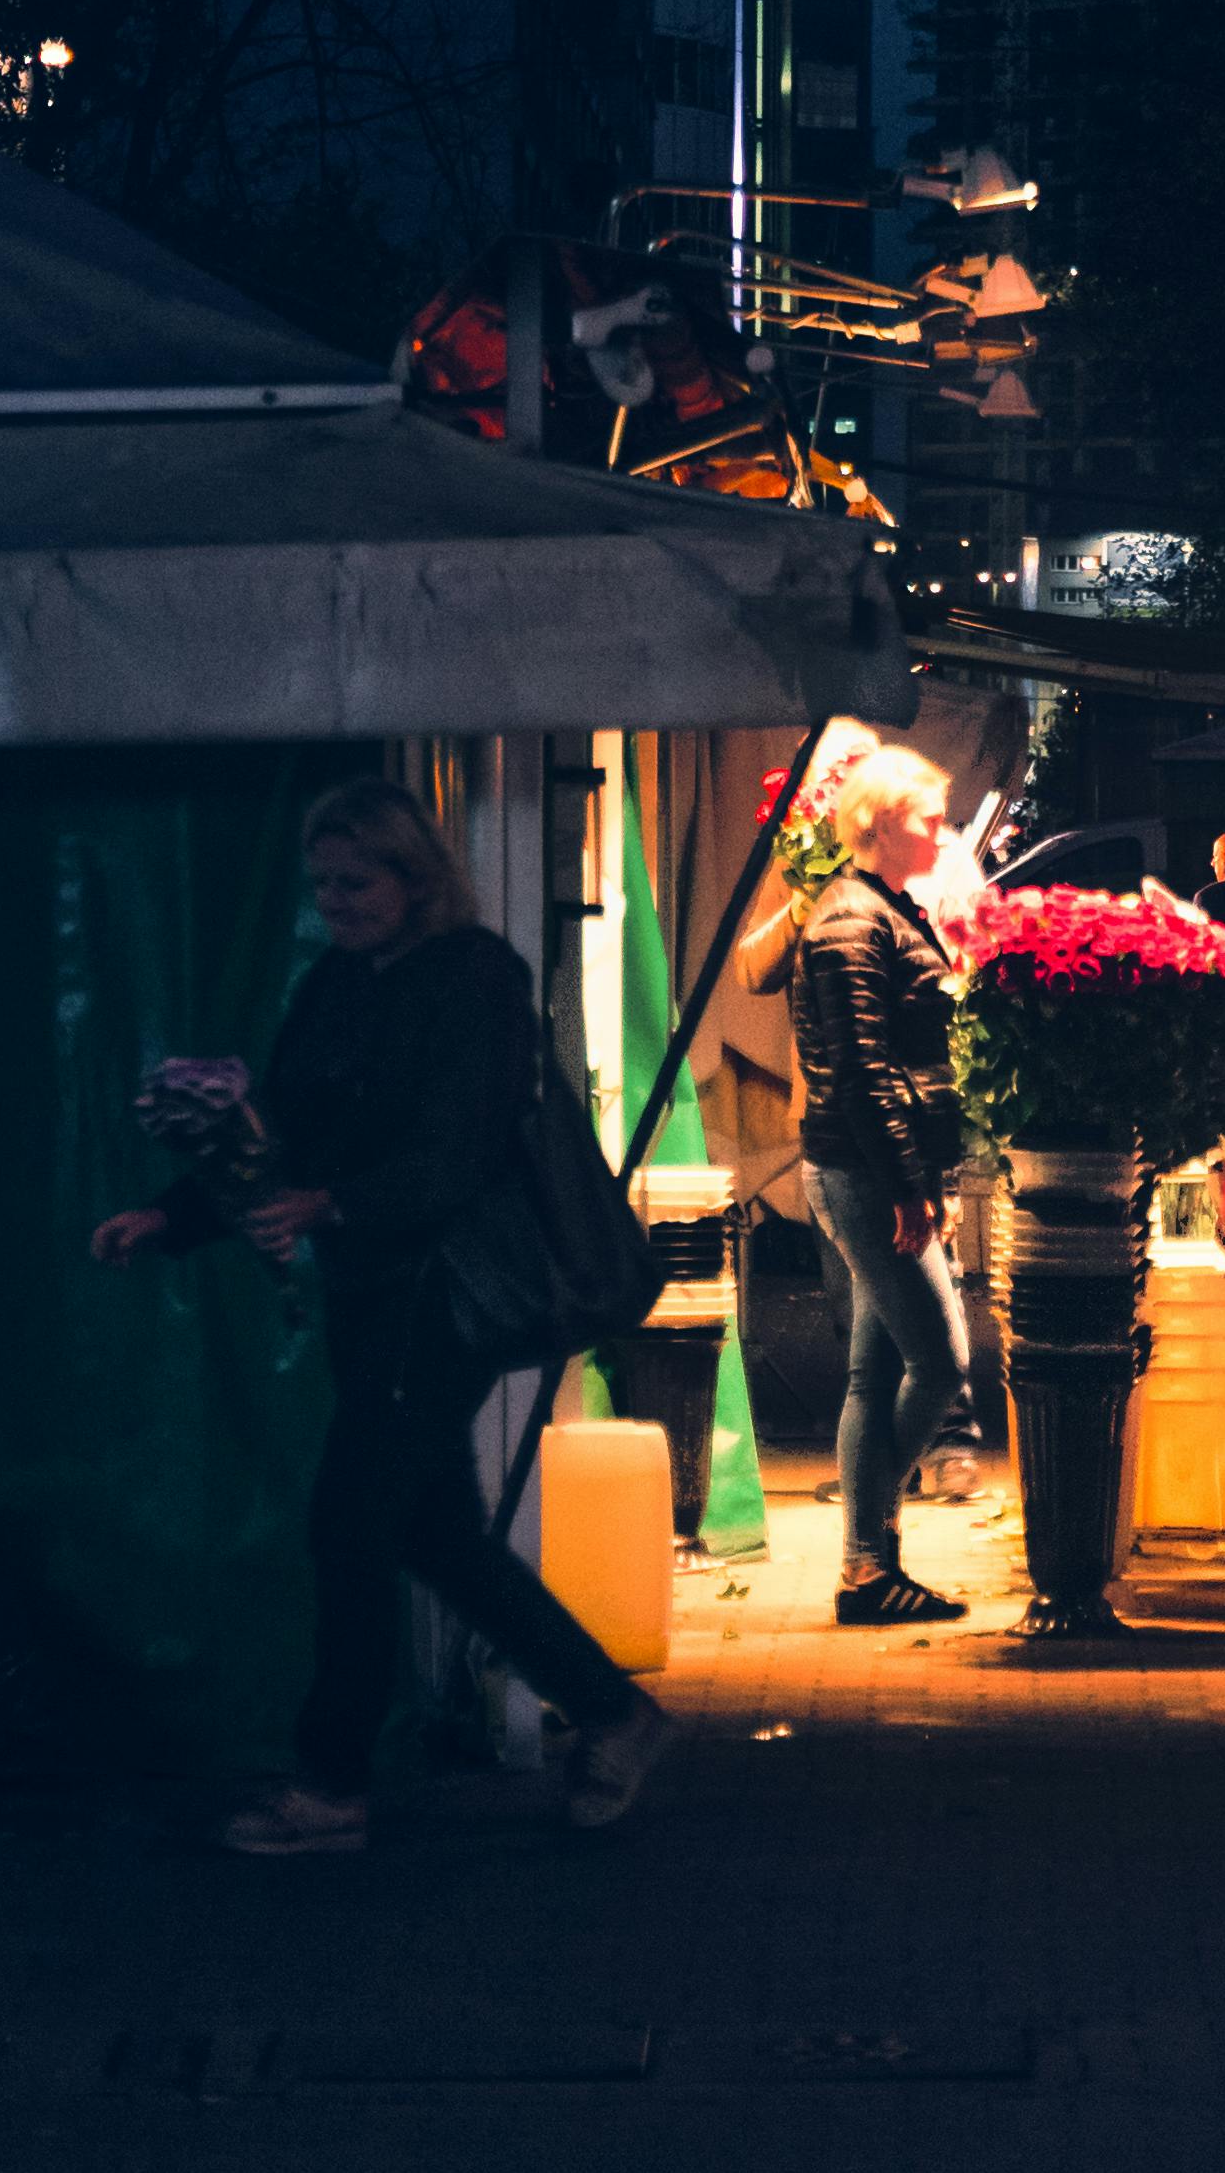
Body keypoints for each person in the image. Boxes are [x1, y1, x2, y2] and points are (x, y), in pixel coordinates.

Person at [91, 776, 668, 1855]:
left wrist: (338, 1203)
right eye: (322, 882)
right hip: (375, 1297)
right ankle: (611, 1713)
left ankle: (334, 1783)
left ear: (414, 878)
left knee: (351, 1520)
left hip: (436, 1300)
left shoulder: (475, 980)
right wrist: (169, 1219)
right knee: (433, 1531)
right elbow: (280, 1131)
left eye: (354, 880)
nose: (335, 900)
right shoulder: (337, 986)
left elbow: (461, 1144)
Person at [786, 742, 980, 1627]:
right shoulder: (850, 921)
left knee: (875, 1373)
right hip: (866, 1175)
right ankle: (868, 1554)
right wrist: (909, 1187)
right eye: (929, 816)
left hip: (874, 1170)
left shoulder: (878, 909)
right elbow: (861, 1069)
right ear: (879, 822)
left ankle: (871, 1567)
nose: (942, 830)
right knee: (940, 1362)